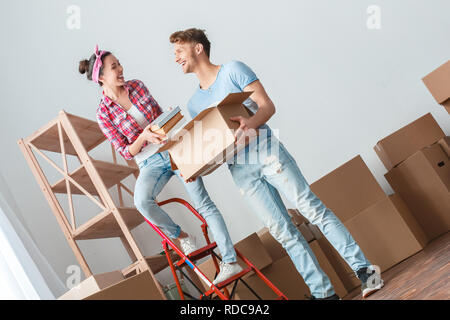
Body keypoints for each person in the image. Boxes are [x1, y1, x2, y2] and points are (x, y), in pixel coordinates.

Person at [169, 29, 384, 299]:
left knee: (312, 210)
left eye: (179, 50)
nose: (175, 57)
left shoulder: (233, 70)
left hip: (266, 151)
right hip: (240, 170)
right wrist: (196, 168)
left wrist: (251, 122)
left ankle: (368, 274)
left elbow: (267, 106)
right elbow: (214, 149)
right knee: (283, 232)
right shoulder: (194, 104)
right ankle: (324, 295)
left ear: (198, 48)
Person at [78, 45, 243, 285]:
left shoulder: (137, 85)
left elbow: (157, 116)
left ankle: (230, 261)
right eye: (114, 67)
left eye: (119, 63)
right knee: (142, 202)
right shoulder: (103, 114)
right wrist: (144, 136)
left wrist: (166, 118)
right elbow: (125, 151)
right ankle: (182, 236)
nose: (121, 69)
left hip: (175, 147)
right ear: (101, 77)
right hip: (149, 162)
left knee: (204, 203)